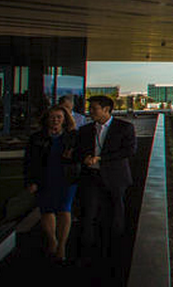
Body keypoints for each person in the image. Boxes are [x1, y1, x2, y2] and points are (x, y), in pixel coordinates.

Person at [75, 95, 136, 259]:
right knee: (90, 211)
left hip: (115, 177)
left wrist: (101, 158)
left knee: (116, 211)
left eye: (94, 108)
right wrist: (84, 158)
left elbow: (129, 151)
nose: (90, 112)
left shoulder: (124, 127)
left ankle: (116, 249)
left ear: (106, 110)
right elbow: (78, 151)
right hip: (92, 177)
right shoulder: (85, 130)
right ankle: (88, 250)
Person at [24, 104, 81, 261]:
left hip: (66, 179)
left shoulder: (73, 136)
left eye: (59, 117)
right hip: (44, 178)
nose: (55, 120)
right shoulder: (36, 138)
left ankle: (62, 245)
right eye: (52, 117)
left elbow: (80, 157)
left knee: (64, 209)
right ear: (46, 119)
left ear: (65, 120)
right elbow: (29, 161)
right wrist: (30, 181)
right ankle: (52, 240)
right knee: (47, 210)